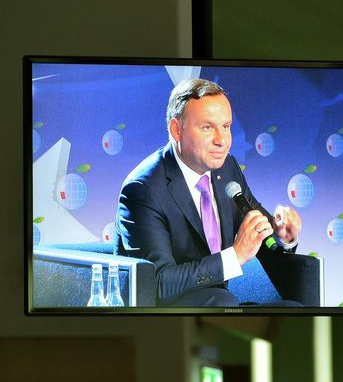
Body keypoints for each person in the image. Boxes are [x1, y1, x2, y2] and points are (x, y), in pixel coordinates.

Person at [116, 78, 303, 306]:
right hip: (172, 315)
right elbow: (157, 283)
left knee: (293, 310)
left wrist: (282, 237)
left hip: (220, 306)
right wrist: (235, 255)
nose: (222, 140)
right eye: (207, 127)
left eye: (226, 126)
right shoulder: (143, 189)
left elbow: (260, 236)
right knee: (223, 303)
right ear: (176, 130)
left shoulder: (227, 168)